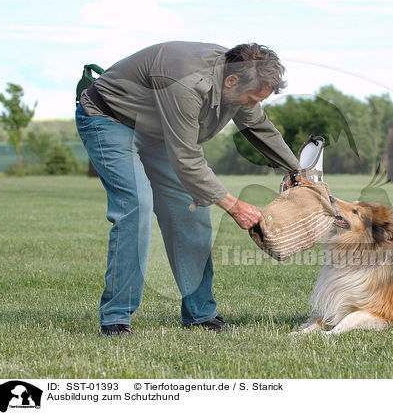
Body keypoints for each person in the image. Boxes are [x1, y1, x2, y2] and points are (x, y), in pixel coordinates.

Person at [75, 41, 300, 335]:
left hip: (157, 130)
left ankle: (200, 314)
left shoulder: (239, 80)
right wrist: (234, 205)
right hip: (109, 118)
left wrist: (298, 172)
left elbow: (258, 127)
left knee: (192, 213)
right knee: (136, 206)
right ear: (231, 81)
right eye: (251, 98)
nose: (251, 105)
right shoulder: (185, 84)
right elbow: (186, 159)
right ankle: (116, 318)